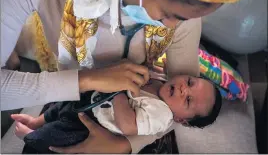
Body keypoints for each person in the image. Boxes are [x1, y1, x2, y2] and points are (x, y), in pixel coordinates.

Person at [1, 0, 255, 153]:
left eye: (184, 19)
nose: (172, 27)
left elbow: (172, 113)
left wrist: (122, 145)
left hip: (98, 114)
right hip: (77, 95)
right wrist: (88, 79)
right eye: (169, 14)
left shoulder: (181, 22)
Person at [12, 74, 222, 153]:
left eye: (188, 100)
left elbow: (128, 126)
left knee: (55, 135)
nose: (185, 88)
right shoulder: (161, 80)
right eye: (190, 82)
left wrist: (119, 92)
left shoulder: (162, 115)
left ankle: (29, 137)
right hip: (93, 100)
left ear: (180, 119)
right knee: (59, 107)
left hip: (93, 125)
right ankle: (35, 121)